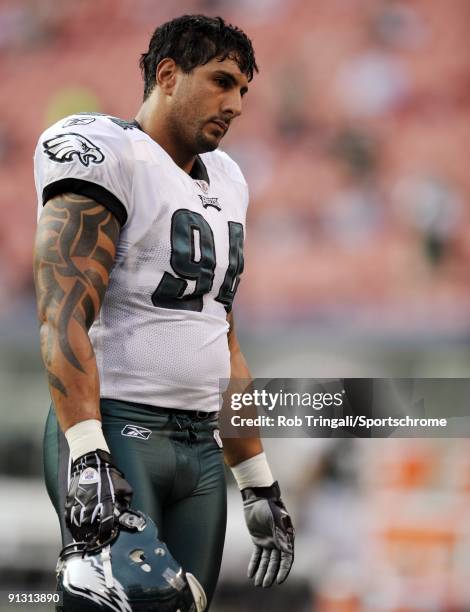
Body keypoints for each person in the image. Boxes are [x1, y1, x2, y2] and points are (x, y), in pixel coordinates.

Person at [33, 13, 294, 610]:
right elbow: (62, 313)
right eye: (222, 81)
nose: (235, 103)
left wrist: (257, 480)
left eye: (243, 91)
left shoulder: (228, 180)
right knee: (131, 600)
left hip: (201, 446)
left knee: (186, 605)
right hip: (120, 427)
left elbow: (222, 339)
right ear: (169, 75)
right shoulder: (106, 152)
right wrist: (86, 448)